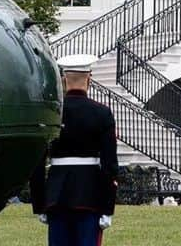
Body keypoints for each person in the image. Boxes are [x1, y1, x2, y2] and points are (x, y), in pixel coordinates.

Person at [31, 54, 118, 245]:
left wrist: (40, 203)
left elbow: (37, 162)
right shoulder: (102, 113)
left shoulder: (52, 112)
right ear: (89, 78)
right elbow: (110, 164)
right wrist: (107, 208)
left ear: (63, 79)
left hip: (57, 194)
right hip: (90, 194)